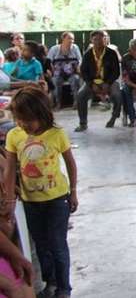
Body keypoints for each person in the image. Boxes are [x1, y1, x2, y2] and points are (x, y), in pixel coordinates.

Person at [5, 87, 78, 298]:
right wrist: (10, 198)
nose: (23, 125)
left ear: (42, 114)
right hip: (30, 201)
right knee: (41, 244)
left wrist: (72, 192)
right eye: (19, 119)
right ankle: (51, 282)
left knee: (57, 244)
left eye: (28, 120)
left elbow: (71, 164)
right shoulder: (14, 136)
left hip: (57, 200)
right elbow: (10, 170)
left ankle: (64, 288)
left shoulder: (57, 134)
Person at [75, 30, 122, 132]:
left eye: (101, 39)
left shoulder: (111, 53)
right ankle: (83, 123)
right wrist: (91, 84)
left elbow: (116, 72)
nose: (98, 42)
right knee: (81, 95)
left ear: (105, 40)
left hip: (108, 81)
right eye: (95, 39)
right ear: (91, 40)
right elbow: (84, 72)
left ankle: (114, 117)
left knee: (117, 94)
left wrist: (108, 83)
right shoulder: (87, 54)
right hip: (93, 82)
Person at [48, 32, 82, 109]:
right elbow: (48, 61)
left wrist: (78, 67)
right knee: (55, 81)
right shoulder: (54, 49)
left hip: (72, 72)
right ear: (63, 39)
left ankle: (76, 102)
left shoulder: (75, 48)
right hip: (58, 73)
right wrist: (51, 69)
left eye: (72, 39)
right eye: (69, 38)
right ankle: (58, 103)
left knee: (75, 80)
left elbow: (80, 60)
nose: (71, 41)